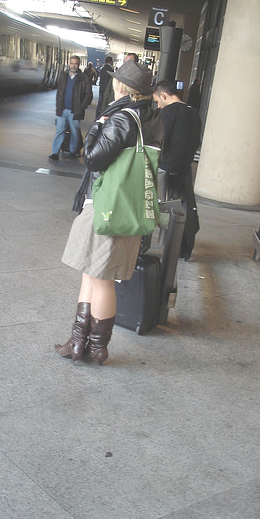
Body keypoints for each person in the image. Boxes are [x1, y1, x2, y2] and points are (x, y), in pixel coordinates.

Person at [55, 60, 163, 365]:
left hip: (108, 208)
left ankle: (96, 347)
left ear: (120, 86)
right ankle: (78, 342)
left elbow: (93, 159)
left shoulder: (122, 117)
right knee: (92, 275)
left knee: (99, 279)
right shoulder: (151, 117)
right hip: (125, 206)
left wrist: (97, 127)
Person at [153, 80, 201, 260]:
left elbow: (161, 141)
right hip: (184, 168)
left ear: (164, 96)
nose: (157, 105)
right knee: (185, 205)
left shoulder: (167, 113)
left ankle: (168, 243)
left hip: (166, 168)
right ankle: (185, 245)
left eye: (157, 101)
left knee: (163, 208)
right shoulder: (193, 113)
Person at [49, 56, 93, 161]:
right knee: (60, 131)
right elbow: (59, 92)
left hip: (75, 110)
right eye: (72, 63)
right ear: (69, 64)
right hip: (62, 109)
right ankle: (55, 153)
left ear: (79, 64)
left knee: (75, 132)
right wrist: (58, 106)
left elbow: (88, 95)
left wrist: (81, 107)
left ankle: (73, 151)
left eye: (76, 64)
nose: (73, 66)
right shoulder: (63, 76)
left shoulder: (84, 78)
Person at [99, 53, 139, 117]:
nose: (125, 64)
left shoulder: (138, 81)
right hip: (112, 112)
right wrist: (103, 112)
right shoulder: (116, 76)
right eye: (124, 62)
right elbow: (107, 95)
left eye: (128, 62)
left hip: (127, 115)